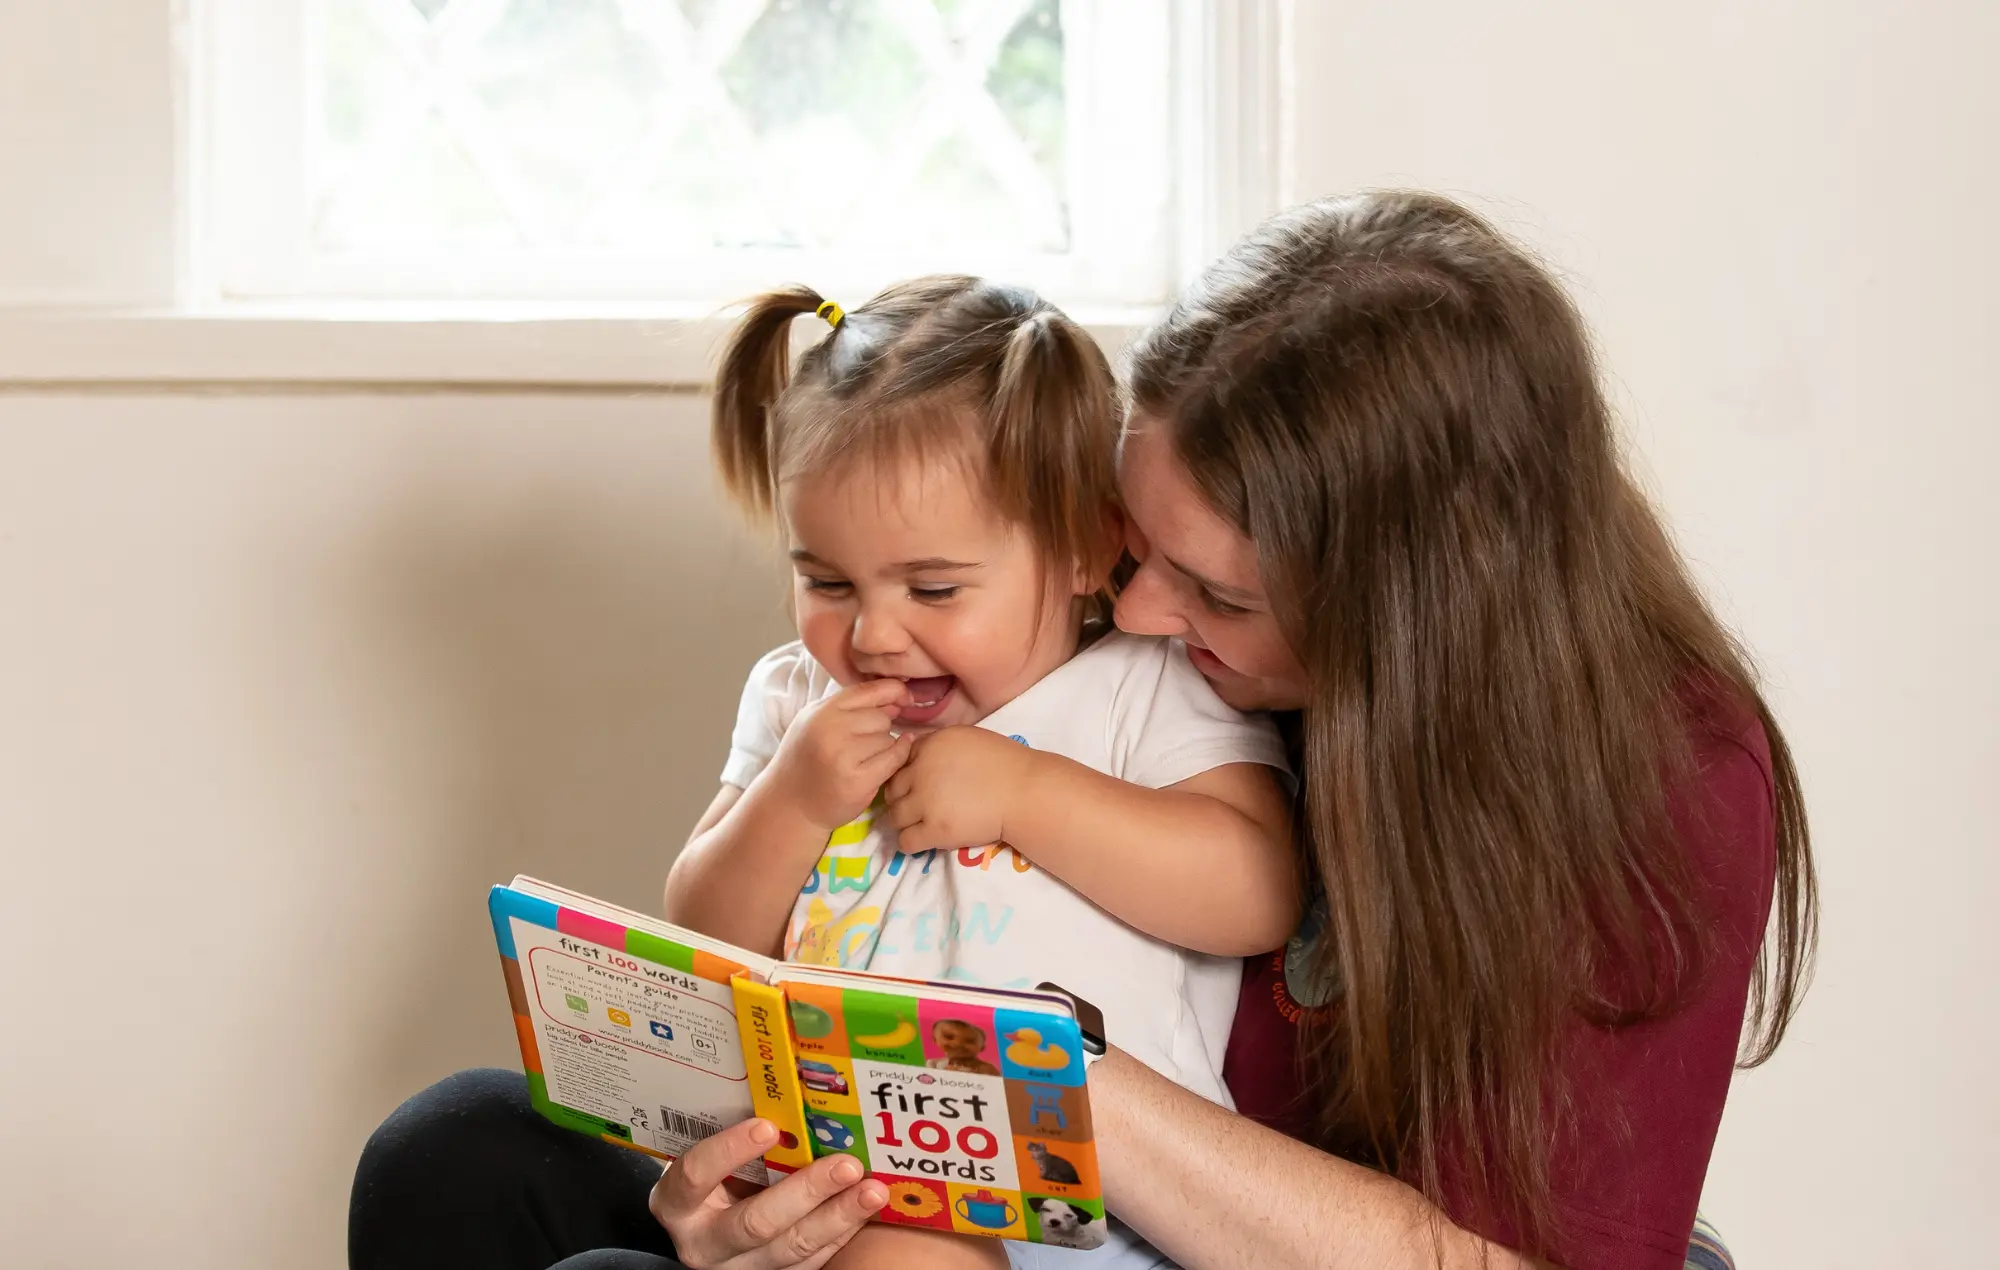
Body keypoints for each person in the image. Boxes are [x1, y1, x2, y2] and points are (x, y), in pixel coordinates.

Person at [350, 192, 1815, 1270]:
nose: (1135, 602)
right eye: (1131, 541)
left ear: (1407, 601)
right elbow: (728, 926)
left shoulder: (1659, 777)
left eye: (1215, 589)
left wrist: (1043, 1085)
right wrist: (726, 1198)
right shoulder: (1087, 638)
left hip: (1172, 1231)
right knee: (459, 1153)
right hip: (918, 1172)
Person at [665, 274, 1294, 1267]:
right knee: (460, 1144)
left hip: (1085, 1228)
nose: (871, 634)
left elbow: (1255, 890)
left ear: (1086, 544)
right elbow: (698, 939)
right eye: (824, 581)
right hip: (822, 1197)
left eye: (932, 586)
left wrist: (1022, 794)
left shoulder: (1142, 687)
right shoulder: (797, 699)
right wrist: (791, 800)